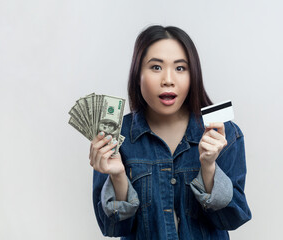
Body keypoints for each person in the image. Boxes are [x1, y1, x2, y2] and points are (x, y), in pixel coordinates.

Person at [89, 25, 251, 239]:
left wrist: (209, 168)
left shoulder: (225, 133)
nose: (168, 79)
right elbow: (112, 229)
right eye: (156, 67)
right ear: (138, 74)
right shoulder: (114, 137)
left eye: (180, 68)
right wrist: (118, 176)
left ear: (193, 75)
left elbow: (233, 219)